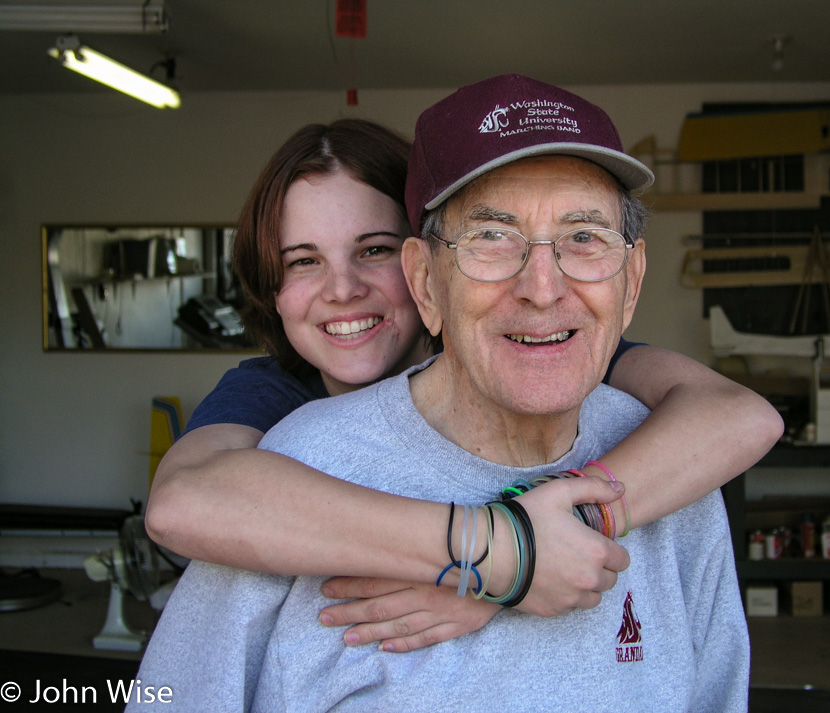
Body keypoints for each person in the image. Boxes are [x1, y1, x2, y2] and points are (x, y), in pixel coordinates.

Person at [132, 74, 754, 712]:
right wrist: (495, 552)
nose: (542, 290)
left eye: (584, 237)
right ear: (427, 277)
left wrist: (529, 544)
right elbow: (185, 500)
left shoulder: (593, 381)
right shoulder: (281, 439)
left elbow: (738, 415)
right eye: (491, 237)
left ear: (631, 280)